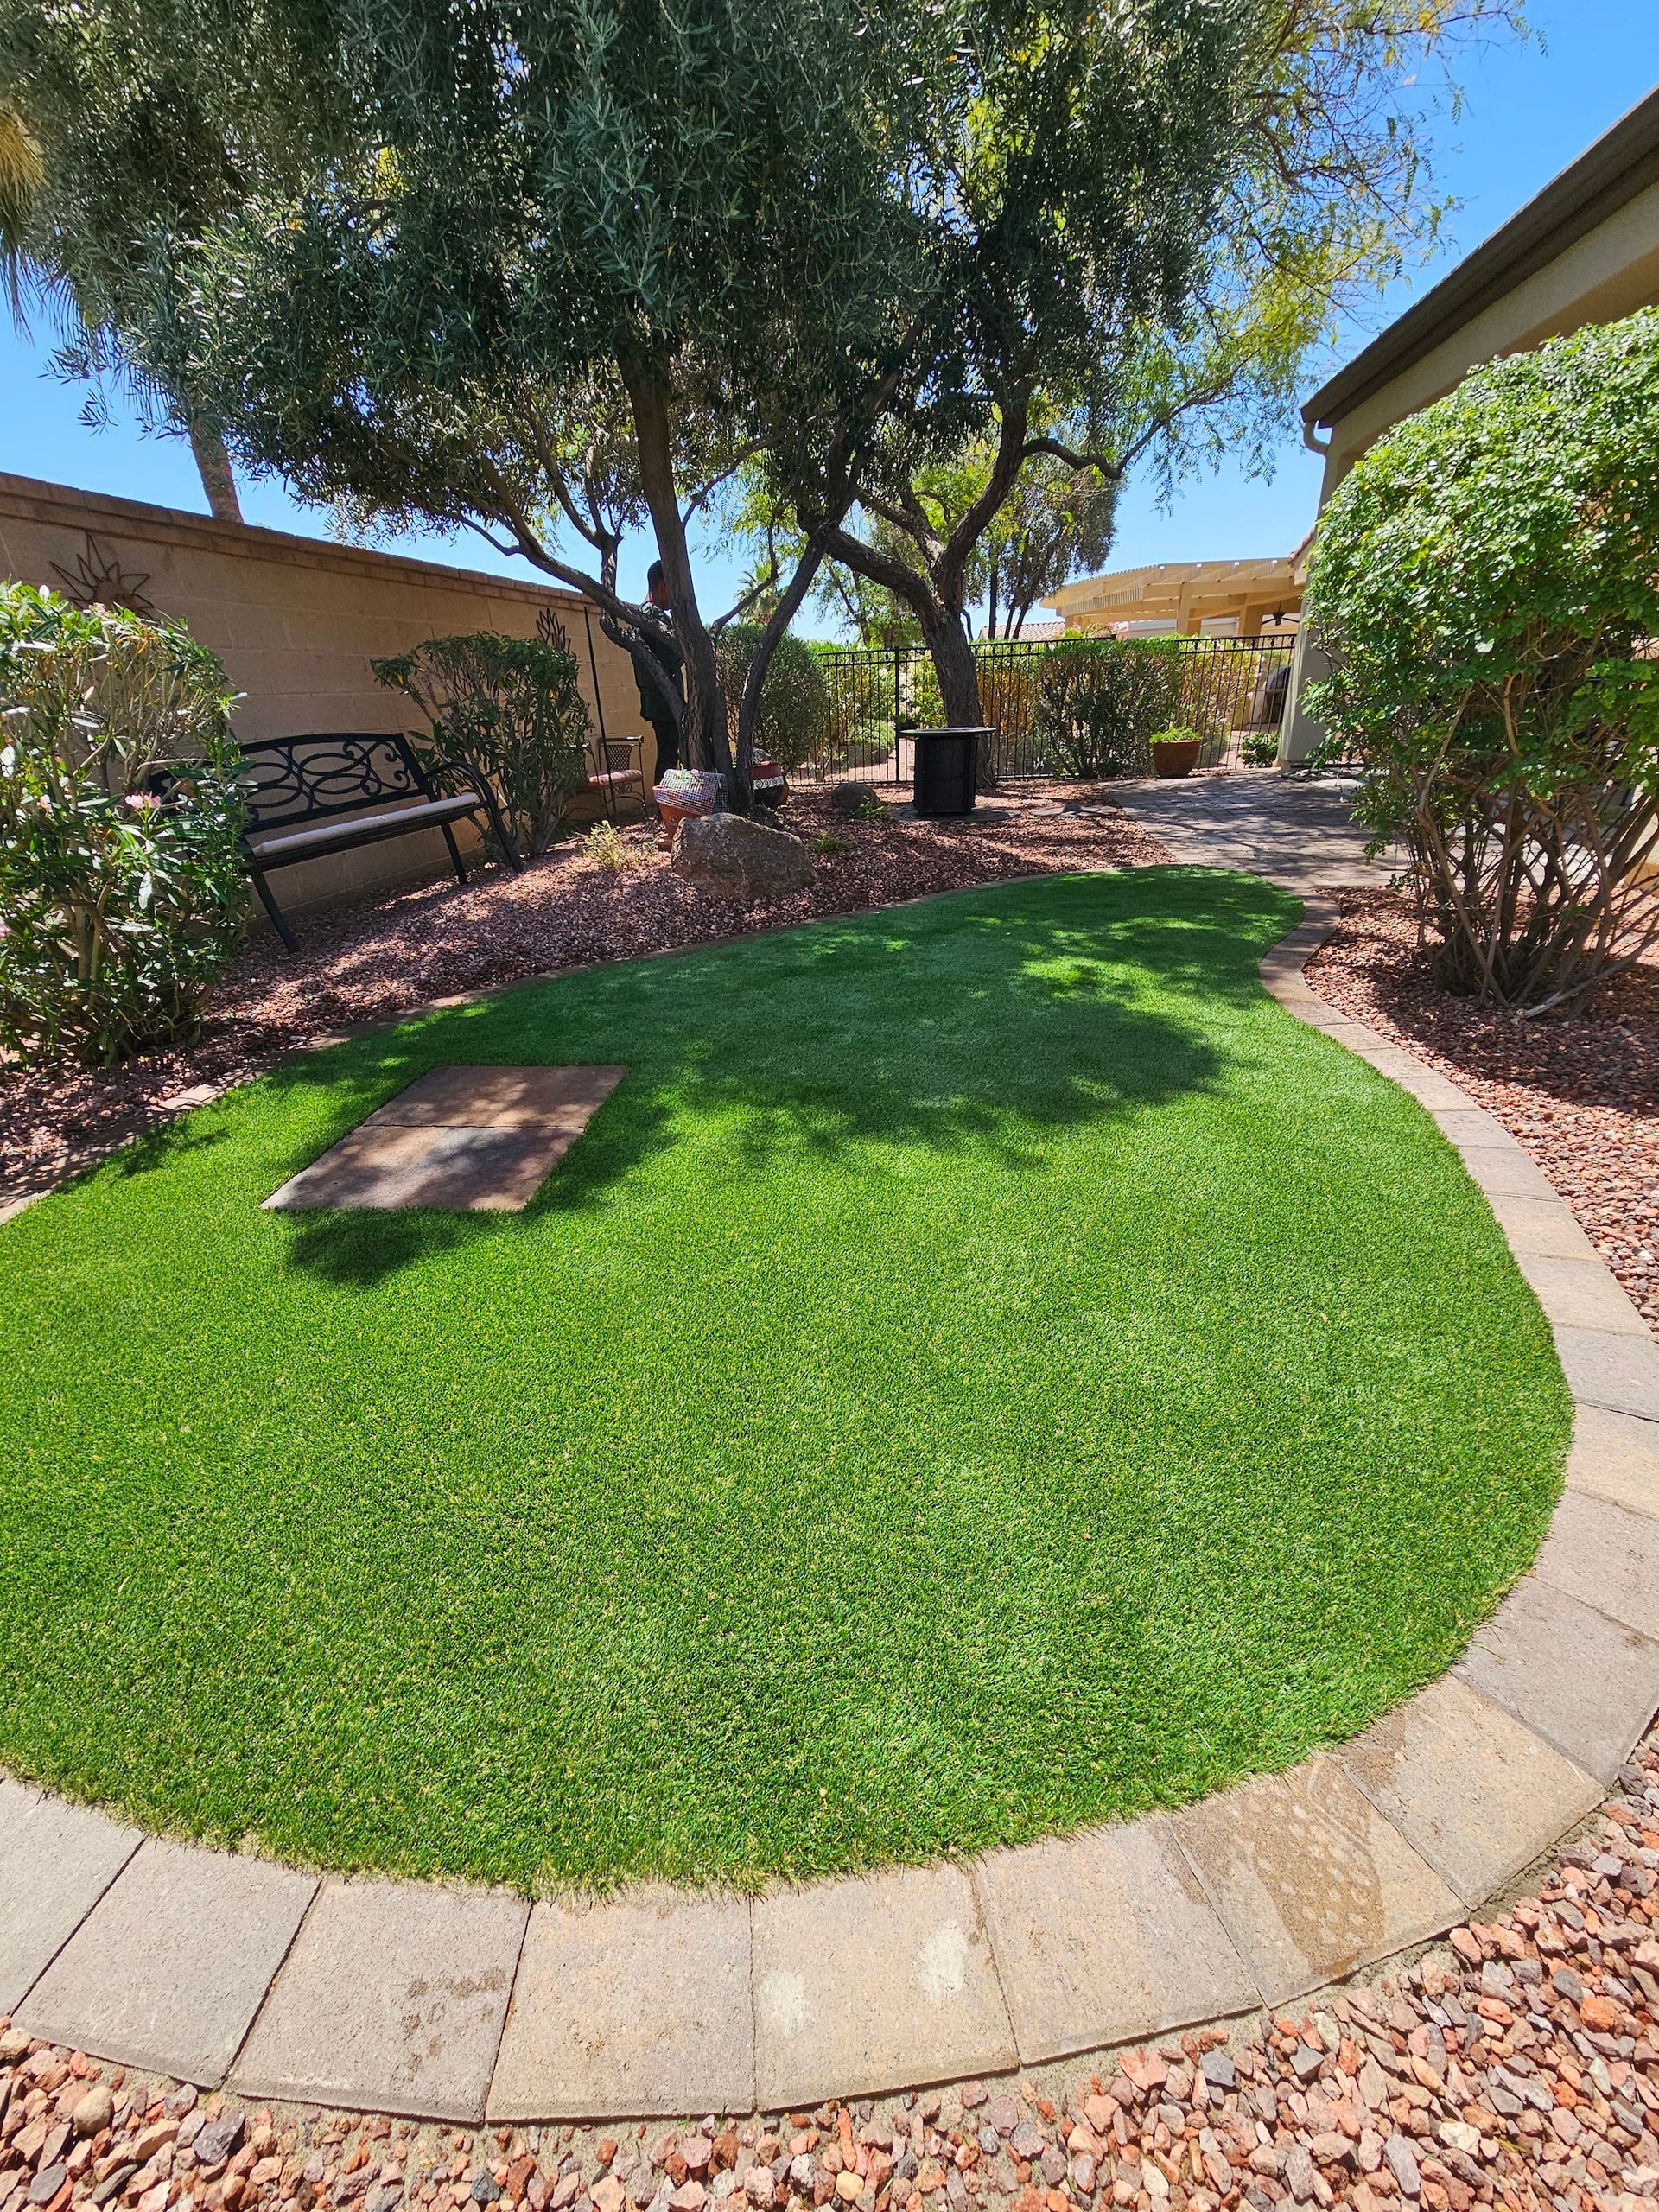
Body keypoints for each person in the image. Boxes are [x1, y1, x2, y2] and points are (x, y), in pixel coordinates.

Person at [632, 560, 686, 784]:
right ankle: (665, 808)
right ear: (663, 586)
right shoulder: (655, 615)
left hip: (656, 700)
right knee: (667, 757)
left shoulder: (641, 613)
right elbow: (671, 657)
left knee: (668, 755)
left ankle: (666, 807)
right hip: (664, 702)